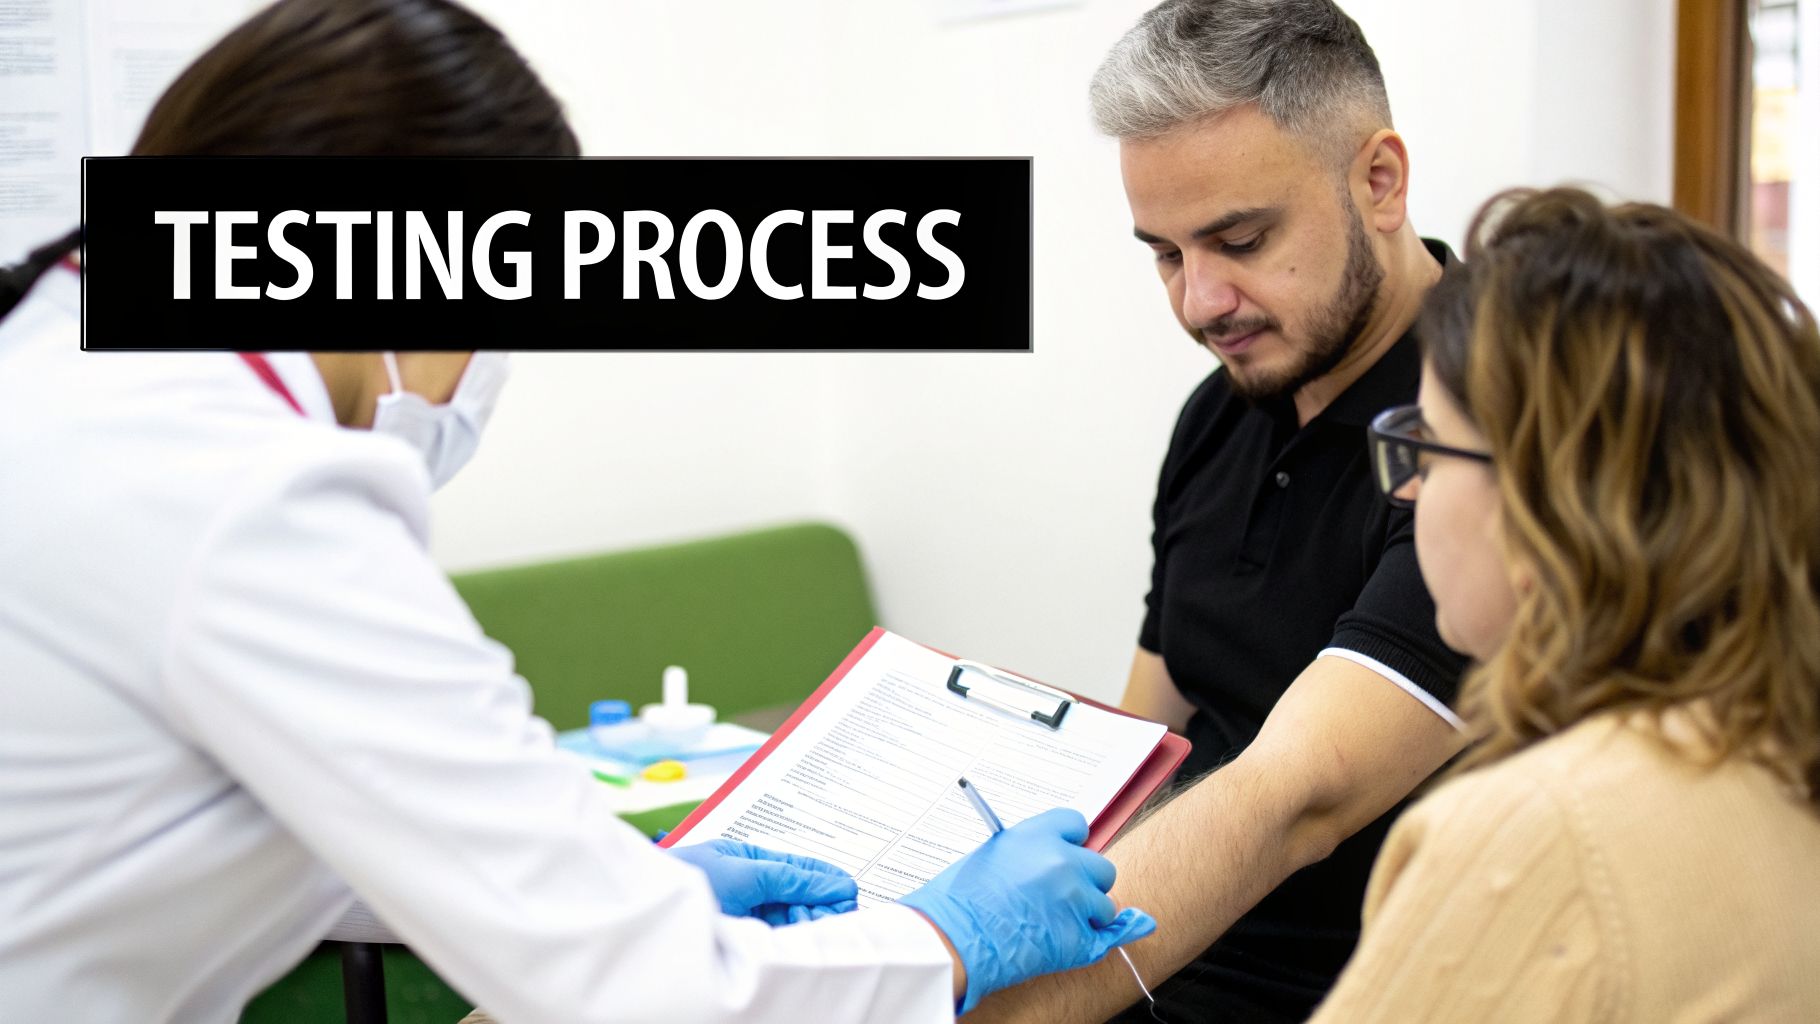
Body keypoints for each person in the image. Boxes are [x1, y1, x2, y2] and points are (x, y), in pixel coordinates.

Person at [0, 2, 1152, 1021]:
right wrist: (944, 939)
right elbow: (646, 994)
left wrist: (602, 879)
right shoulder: (249, 493)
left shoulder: (71, 374)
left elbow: (196, 821)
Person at [968, 2, 1472, 1021]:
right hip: (1158, 967)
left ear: (1378, 181)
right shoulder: (1219, 411)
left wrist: (966, 1000)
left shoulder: (1485, 436)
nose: (1199, 302)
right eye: (1163, 253)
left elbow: (1301, 797)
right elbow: (1144, 740)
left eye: (1238, 239)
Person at [1307, 187, 1820, 1020]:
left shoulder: (1537, 838)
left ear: (1550, 503)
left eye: (1428, 447)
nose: (1409, 498)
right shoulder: (1780, 747)